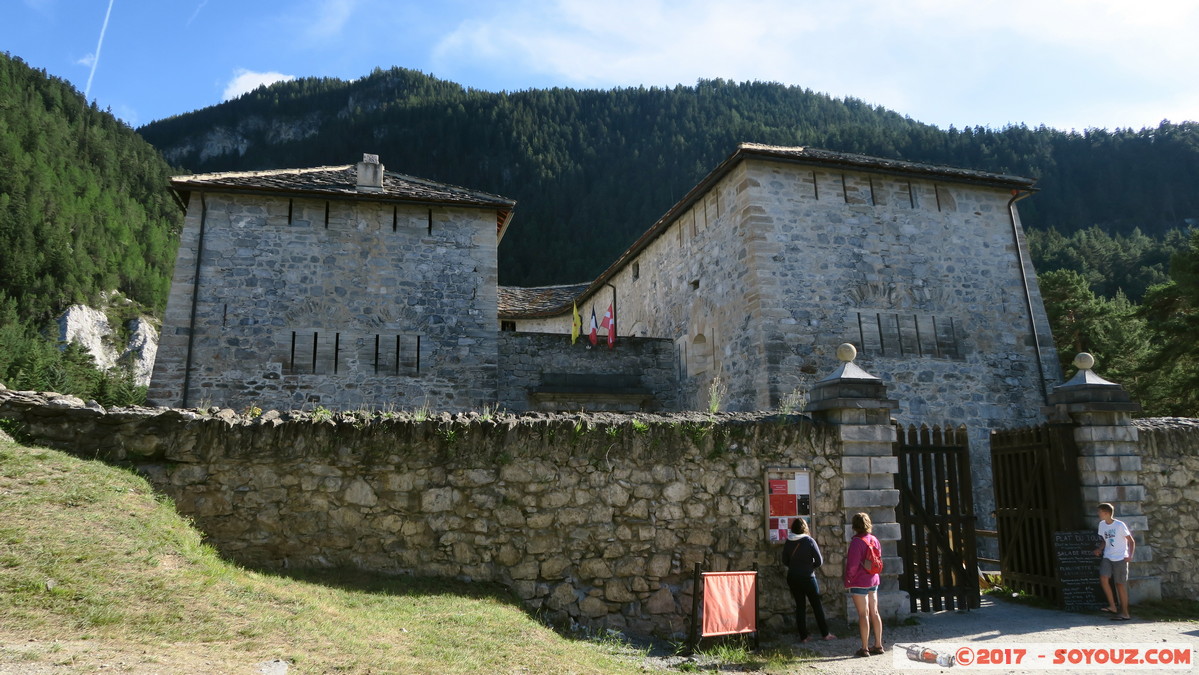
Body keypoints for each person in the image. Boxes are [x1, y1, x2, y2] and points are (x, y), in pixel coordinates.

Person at [780, 518, 836, 642]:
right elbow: (819, 561)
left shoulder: (788, 541)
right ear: (805, 528)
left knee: (800, 606)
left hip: (793, 577)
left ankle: (803, 636)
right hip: (807, 577)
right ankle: (825, 633)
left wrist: (795, 567)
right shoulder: (809, 541)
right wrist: (809, 567)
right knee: (816, 605)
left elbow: (785, 560)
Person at [844, 512, 883, 657]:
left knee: (863, 614)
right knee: (875, 612)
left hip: (860, 581)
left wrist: (848, 580)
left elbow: (852, 565)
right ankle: (878, 645)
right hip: (873, 579)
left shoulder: (856, 542)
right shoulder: (874, 539)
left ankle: (865, 648)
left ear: (854, 526)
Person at [1093, 502, 1135, 620]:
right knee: (1103, 578)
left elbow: (1131, 541)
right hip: (1107, 556)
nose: (1098, 514)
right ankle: (1112, 606)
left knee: (1120, 585)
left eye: (1100, 512)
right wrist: (1100, 549)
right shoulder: (1102, 525)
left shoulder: (1119, 525)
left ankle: (1125, 613)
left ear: (1106, 513)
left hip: (1120, 557)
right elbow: (1105, 540)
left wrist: (1130, 555)